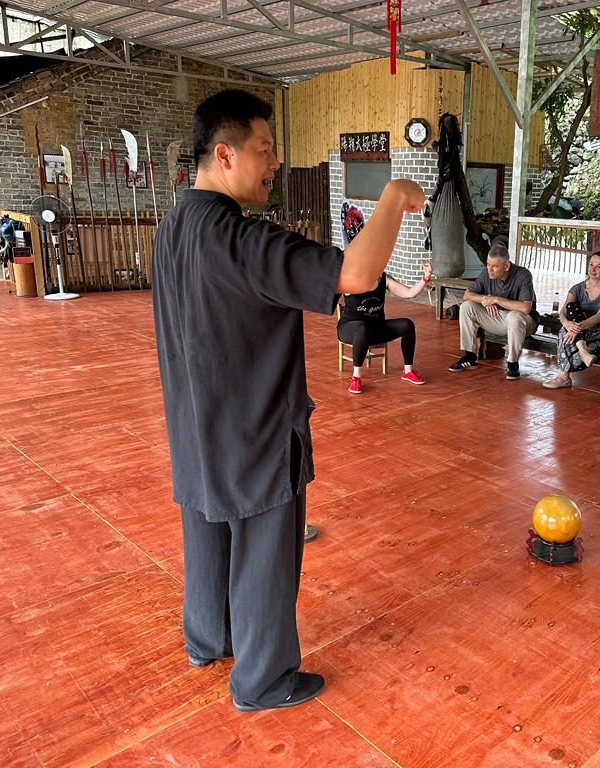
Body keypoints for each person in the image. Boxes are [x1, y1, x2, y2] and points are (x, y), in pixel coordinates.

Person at [152, 89, 425, 713]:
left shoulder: (174, 228)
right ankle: (264, 681)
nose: (275, 163)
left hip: (196, 423)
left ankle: (209, 641)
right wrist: (390, 198)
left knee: (207, 532)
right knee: (266, 557)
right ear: (225, 155)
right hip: (254, 427)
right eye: (265, 149)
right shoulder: (242, 241)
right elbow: (354, 275)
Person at [339, 259, 433, 394]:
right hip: (349, 329)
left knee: (407, 324)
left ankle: (408, 371)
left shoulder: (384, 279)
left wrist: (426, 278)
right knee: (362, 328)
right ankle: (356, 378)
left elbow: (409, 293)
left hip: (376, 328)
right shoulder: (351, 280)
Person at [448, 243, 539, 380]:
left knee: (514, 316)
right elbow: (468, 294)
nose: (489, 269)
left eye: (495, 266)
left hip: (524, 322)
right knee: (467, 307)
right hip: (497, 319)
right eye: (488, 264)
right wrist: (485, 299)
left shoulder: (523, 275)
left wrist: (496, 299)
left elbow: (525, 308)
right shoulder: (487, 273)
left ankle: (512, 363)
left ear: (506, 266)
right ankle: (470, 356)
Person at [543, 250, 600, 389]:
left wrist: (575, 328)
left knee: (575, 357)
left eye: (598, 266)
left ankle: (564, 376)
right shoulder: (577, 288)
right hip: (582, 332)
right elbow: (562, 312)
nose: (593, 269)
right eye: (591, 264)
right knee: (570, 311)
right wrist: (568, 324)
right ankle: (581, 351)